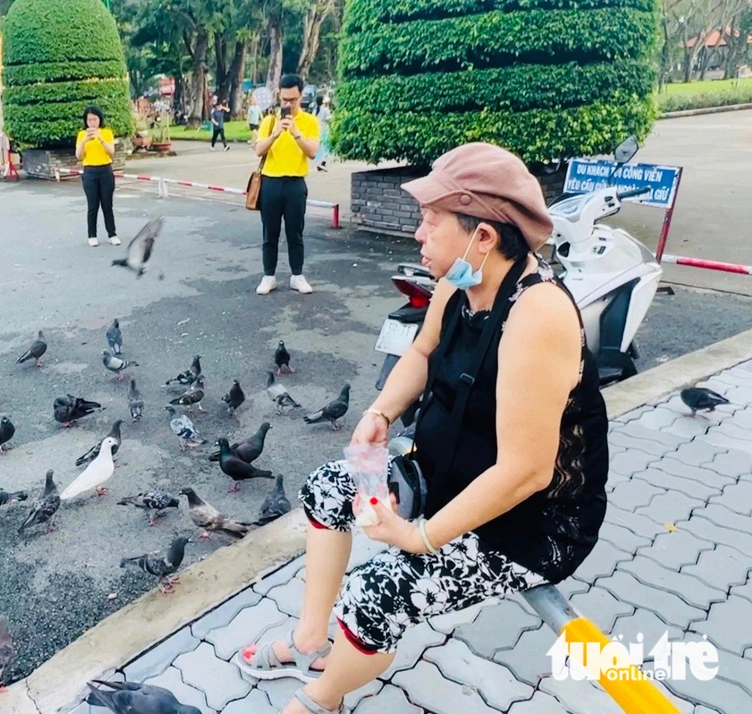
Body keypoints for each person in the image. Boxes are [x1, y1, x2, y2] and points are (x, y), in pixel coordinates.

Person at [236, 142, 609, 714]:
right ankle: (312, 642)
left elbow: (525, 472)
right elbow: (423, 351)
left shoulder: (539, 314)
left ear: (483, 236)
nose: (418, 235)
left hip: (525, 525)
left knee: (375, 591)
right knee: (328, 487)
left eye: (431, 222)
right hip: (446, 473)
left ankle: (322, 697)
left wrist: (419, 538)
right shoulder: (461, 282)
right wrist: (379, 413)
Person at [253, 74, 321, 295]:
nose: (288, 104)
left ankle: (297, 275)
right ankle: (268, 276)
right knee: (269, 233)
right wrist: (274, 134)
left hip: (295, 183)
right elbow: (258, 150)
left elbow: (312, 153)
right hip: (270, 183)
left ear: (301, 95)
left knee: (295, 232)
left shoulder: (310, 122)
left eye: (292, 99)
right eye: (284, 99)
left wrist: (295, 133)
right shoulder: (269, 121)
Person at [75, 105, 119, 248]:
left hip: (105, 170)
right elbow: (79, 156)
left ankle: (112, 234)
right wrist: (84, 142)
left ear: (100, 119)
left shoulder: (106, 133)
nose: (92, 122)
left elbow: (111, 152)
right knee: (92, 206)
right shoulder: (82, 135)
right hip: (89, 171)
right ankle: (92, 235)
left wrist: (100, 138)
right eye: (89, 120)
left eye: (95, 119)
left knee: (107, 205)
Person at [315, 96, 333, 172]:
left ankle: (319, 163)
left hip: (317, 131)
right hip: (324, 130)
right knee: (326, 148)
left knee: (319, 148)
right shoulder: (325, 110)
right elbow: (329, 119)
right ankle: (323, 163)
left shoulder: (315, 110)